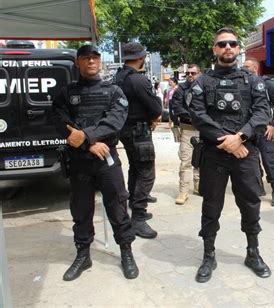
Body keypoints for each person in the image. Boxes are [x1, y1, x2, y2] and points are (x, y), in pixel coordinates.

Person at [189, 27, 271, 283]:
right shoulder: (202, 82)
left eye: (232, 43)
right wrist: (227, 141)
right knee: (211, 206)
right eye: (222, 44)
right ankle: (208, 255)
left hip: (245, 153)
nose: (227, 47)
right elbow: (197, 116)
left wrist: (240, 137)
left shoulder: (253, 81)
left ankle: (253, 252)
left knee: (250, 204)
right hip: (215, 154)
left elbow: (261, 114)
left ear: (238, 48)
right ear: (215, 49)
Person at [52, 45, 138, 280]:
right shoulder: (66, 94)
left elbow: (115, 121)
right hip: (80, 159)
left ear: (100, 62)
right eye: (86, 58)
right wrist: (87, 144)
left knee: (118, 205)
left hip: (106, 159)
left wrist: (87, 136)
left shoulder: (113, 91)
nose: (91, 62)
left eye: (95, 58)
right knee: (81, 209)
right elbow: (61, 122)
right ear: (77, 63)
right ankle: (83, 255)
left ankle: (126, 252)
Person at [115, 42, 162, 239]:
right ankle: (138, 217)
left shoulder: (119, 76)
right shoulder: (138, 80)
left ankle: (134, 204)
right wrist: (154, 116)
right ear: (141, 58)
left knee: (135, 168)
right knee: (146, 173)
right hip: (138, 130)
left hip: (125, 130)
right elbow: (155, 107)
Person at [242, 57, 274, 206]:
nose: (244, 69)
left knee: (268, 161)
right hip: (247, 130)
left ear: (255, 68)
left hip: (263, 130)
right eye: (243, 66)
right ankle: (258, 186)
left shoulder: (267, 86)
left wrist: (273, 125)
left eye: (247, 67)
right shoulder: (241, 85)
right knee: (252, 161)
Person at [171, 64, 202, 204]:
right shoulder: (180, 89)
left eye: (193, 73)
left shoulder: (205, 87)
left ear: (199, 74)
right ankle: (183, 192)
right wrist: (194, 117)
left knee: (201, 161)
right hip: (187, 129)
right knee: (186, 161)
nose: (190, 75)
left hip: (203, 130)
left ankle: (198, 187)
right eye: (188, 73)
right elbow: (176, 108)